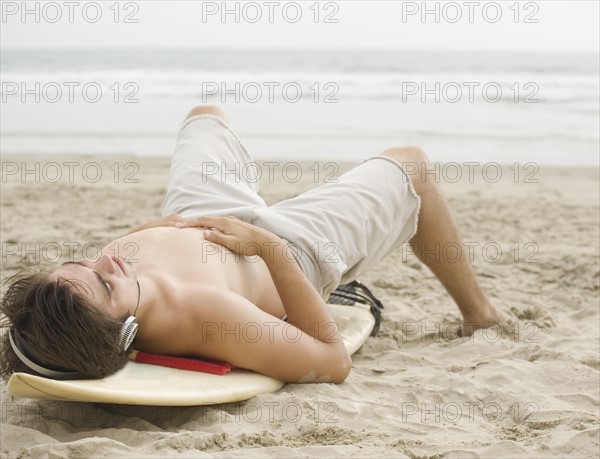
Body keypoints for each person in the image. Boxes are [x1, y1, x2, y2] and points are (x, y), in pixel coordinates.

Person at [0, 105, 506, 383]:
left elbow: (102, 273)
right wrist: (268, 247)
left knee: (204, 115)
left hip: (204, 211)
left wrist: (150, 230)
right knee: (411, 162)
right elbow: (332, 362)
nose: (107, 260)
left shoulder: (93, 291)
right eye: (106, 283)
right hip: (288, 245)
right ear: (126, 330)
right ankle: (479, 311)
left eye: (84, 262)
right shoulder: (204, 312)